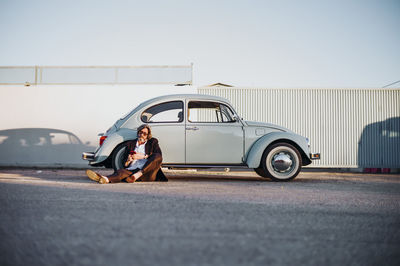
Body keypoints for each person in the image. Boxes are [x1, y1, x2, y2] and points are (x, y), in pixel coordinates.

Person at [86, 124, 167, 184]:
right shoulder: (130, 144)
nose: (142, 134)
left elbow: (158, 156)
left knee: (157, 156)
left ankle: (137, 175)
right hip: (132, 171)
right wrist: (128, 160)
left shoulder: (153, 142)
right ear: (138, 132)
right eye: (140, 132)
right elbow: (125, 165)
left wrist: (143, 156)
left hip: (148, 172)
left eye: (144, 133)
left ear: (147, 136)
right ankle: (105, 179)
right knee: (120, 172)